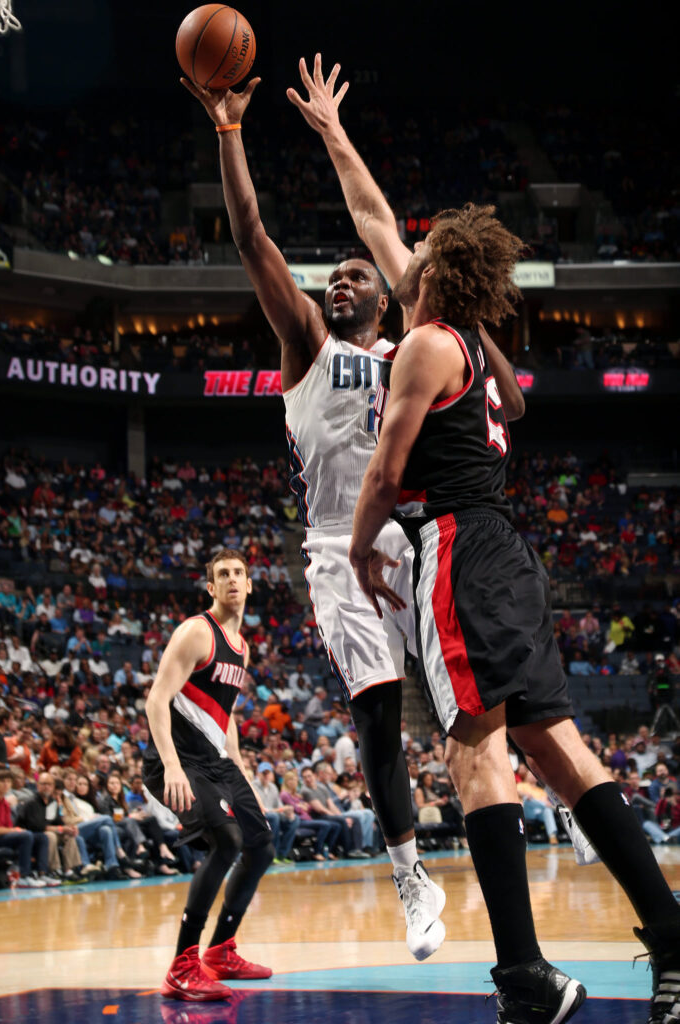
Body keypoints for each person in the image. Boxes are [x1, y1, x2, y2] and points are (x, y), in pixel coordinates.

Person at [347, 201, 680, 1024]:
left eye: (414, 255)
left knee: (473, 756)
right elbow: (371, 217)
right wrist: (331, 134)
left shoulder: (426, 343)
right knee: (560, 751)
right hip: (506, 553)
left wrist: (358, 551)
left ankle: (525, 974)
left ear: (426, 278)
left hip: (456, 546)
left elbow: (388, 474)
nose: (402, 256)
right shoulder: (468, 348)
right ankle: (672, 939)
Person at [182, 60, 457, 960]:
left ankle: (553, 799)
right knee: (378, 711)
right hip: (340, 548)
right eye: (330, 277)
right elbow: (251, 232)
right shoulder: (305, 342)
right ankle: (411, 878)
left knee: (479, 705)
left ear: (386, 297)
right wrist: (230, 130)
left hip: (421, 538)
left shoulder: (413, 348)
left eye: (353, 276)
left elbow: (383, 230)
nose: (339, 282)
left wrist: (340, 138)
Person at [143, 549, 274, 1001]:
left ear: (250, 584)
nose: (233, 580)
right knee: (228, 841)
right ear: (211, 588)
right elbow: (157, 700)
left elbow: (225, 717)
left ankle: (220, 951)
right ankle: (182, 965)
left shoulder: (242, 646)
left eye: (240, 573)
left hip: (215, 762)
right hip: (175, 760)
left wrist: (244, 775)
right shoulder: (197, 632)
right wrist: (173, 767)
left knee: (260, 845)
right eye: (224, 574)